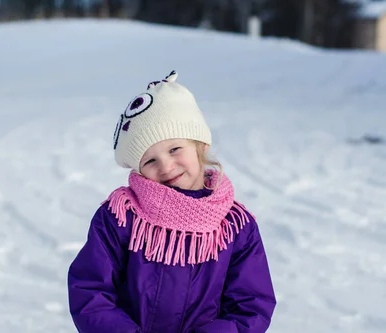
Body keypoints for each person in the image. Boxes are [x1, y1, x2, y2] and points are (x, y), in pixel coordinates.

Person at [67, 70, 276, 333]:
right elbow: (90, 291)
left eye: (175, 149)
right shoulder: (121, 217)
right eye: (150, 161)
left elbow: (251, 305)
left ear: (199, 144)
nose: (166, 166)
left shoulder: (234, 227)